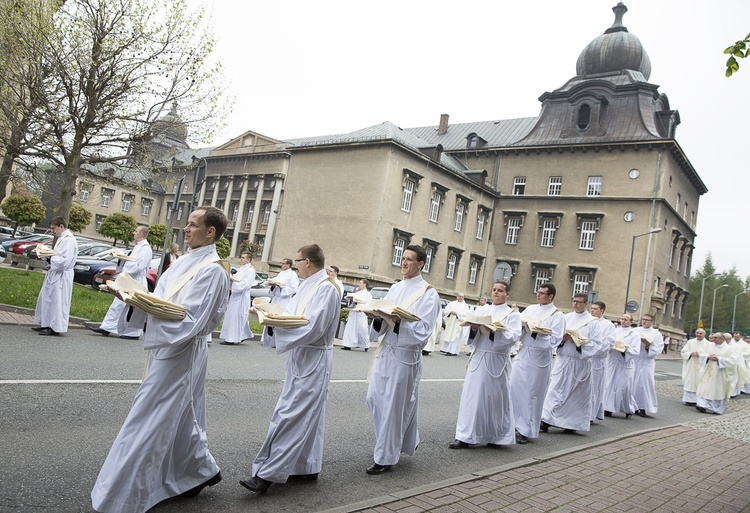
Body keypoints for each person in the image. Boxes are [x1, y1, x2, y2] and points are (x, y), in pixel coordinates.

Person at [91, 206, 230, 512]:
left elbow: (192, 320)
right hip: (166, 348)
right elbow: (164, 302)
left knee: (148, 420)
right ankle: (198, 471)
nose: (185, 229)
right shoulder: (184, 262)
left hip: (182, 352)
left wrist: (144, 306)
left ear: (210, 232)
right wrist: (133, 298)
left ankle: (122, 498)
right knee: (180, 417)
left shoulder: (213, 270)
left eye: (192, 225)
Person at [240, 244, 341, 494]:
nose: (295, 265)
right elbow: (291, 315)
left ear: (307, 261)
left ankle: (267, 474)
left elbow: (315, 327)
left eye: (297, 261)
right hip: (301, 356)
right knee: (309, 414)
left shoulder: (327, 288)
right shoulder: (307, 285)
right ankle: (307, 466)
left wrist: (278, 325)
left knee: (291, 415)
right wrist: (267, 314)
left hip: (315, 357)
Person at [365, 245, 441, 475]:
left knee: (394, 406)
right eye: (403, 258)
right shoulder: (395, 288)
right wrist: (377, 317)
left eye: (409, 260)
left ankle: (386, 457)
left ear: (420, 264)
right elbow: (382, 319)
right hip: (387, 350)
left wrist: (397, 321)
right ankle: (406, 439)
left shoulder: (429, 294)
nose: (404, 262)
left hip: (406, 355)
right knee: (374, 398)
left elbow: (423, 330)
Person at [449, 281, 521, 449]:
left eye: (500, 291)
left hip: (497, 359)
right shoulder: (482, 310)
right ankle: (465, 435)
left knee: (495, 398)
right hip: (479, 355)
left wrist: (491, 332)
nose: (496, 293)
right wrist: (474, 328)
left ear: (507, 294)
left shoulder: (512, 314)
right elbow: (470, 331)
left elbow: (514, 336)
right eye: (494, 290)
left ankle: (496, 436)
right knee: (472, 397)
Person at [510, 283, 564, 444]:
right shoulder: (531, 309)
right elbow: (518, 329)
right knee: (514, 388)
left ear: (550, 296)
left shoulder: (557, 315)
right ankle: (512, 424)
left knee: (531, 393)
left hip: (539, 357)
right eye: (538, 292)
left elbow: (555, 339)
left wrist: (536, 333)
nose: (538, 295)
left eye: (542, 293)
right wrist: (522, 327)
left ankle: (526, 429)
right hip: (524, 353)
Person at [541, 293, 601, 434]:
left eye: (579, 302)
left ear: (586, 304)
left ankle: (571, 423)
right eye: (574, 301)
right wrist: (562, 339)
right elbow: (554, 336)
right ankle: (545, 420)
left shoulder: (593, 322)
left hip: (579, 362)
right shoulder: (565, 318)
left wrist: (577, 342)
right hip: (563, 359)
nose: (575, 304)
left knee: (576, 394)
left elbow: (597, 344)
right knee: (555, 390)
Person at [92, 225, 152, 339]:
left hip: (137, 280)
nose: (133, 232)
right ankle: (106, 327)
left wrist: (126, 260)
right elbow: (132, 263)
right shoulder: (138, 247)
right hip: (129, 279)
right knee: (118, 303)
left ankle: (132, 332)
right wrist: (122, 259)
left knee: (134, 308)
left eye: (136, 231)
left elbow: (139, 266)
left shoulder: (146, 249)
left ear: (141, 234)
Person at [32, 217, 79, 336]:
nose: (52, 231)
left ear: (61, 226)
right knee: (48, 298)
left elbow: (64, 261)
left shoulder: (69, 240)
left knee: (58, 301)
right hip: (55, 273)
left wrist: (49, 256)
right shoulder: (62, 238)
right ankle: (46, 323)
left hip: (62, 275)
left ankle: (55, 327)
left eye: (54, 228)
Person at [603, 313, 641, 418]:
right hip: (613, 360)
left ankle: (628, 408)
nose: (623, 321)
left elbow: (635, 350)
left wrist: (625, 349)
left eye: (626, 319)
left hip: (625, 363)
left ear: (631, 322)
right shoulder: (615, 331)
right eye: (622, 319)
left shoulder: (634, 334)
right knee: (609, 384)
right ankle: (608, 408)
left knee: (624, 387)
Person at [695, 332, 738, 414]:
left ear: (722, 339)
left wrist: (719, 359)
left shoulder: (729, 349)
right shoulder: (709, 345)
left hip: (720, 373)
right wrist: (708, 357)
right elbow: (702, 353)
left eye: (715, 338)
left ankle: (715, 408)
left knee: (718, 391)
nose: (713, 339)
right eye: (713, 337)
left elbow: (733, 360)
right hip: (708, 371)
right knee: (703, 388)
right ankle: (702, 405)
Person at [219, 251, 256, 345]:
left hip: (241, 297)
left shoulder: (250, 270)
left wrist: (233, 281)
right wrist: (231, 279)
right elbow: (237, 279)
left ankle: (231, 338)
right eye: (241, 257)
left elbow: (246, 285)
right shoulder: (242, 268)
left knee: (238, 317)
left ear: (248, 259)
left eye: (243, 257)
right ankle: (240, 335)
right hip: (235, 297)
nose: (241, 259)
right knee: (232, 316)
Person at [632, 313, 664, 417]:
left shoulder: (656, 334)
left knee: (645, 384)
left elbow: (659, 349)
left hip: (647, 361)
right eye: (643, 319)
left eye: (647, 320)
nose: (644, 321)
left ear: (652, 322)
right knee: (634, 383)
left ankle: (643, 407)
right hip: (636, 360)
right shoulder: (636, 331)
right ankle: (633, 406)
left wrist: (648, 346)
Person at [589, 301, 615, 423]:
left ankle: (591, 414)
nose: (592, 310)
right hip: (585, 359)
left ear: (602, 311)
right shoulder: (588, 321)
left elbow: (608, 343)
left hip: (597, 360)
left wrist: (593, 346)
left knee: (595, 388)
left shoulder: (607, 325)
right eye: (592, 308)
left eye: (595, 309)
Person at [341, 278, 372, 351]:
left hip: (361, 313)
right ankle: (348, 344)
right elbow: (351, 303)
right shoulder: (357, 293)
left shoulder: (368, 294)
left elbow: (367, 303)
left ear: (365, 284)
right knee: (350, 328)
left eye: (361, 283)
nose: (359, 284)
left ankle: (365, 345)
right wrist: (351, 300)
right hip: (354, 313)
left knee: (362, 329)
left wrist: (359, 302)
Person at [680, 328, 709, 406]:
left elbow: (708, 355)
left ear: (704, 334)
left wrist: (700, 355)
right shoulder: (690, 342)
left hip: (700, 365)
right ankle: (688, 400)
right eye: (697, 333)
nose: (698, 335)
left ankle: (697, 400)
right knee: (689, 381)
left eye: (700, 333)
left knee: (699, 381)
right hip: (690, 365)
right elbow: (683, 351)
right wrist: (690, 353)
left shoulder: (708, 344)